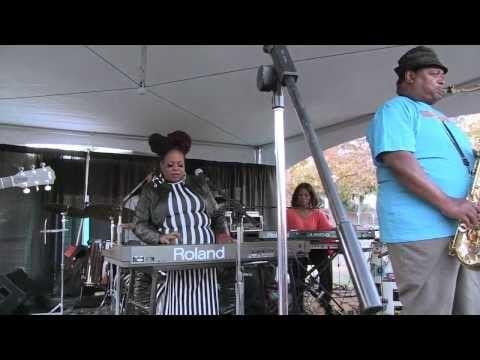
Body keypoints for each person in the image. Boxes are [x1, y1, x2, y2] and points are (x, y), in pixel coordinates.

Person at [366, 46, 480, 314]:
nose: (442, 80)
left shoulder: (443, 119)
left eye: (442, 75)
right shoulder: (395, 109)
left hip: (460, 232)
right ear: (409, 76)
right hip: (422, 231)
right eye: (433, 73)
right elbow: (398, 160)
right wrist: (448, 204)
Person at [134, 130, 233, 315]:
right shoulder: (151, 191)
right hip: (175, 258)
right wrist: (159, 237)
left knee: (206, 304)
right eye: (170, 165)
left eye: (180, 164)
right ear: (161, 166)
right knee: (178, 305)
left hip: (206, 255)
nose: (176, 168)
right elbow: (139, 224)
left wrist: (222, 234)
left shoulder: (199, 184)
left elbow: (217, 215)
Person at [287, 182, 336, 314]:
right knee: (298, 267)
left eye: (306, 195)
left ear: (311, 197)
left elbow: (328, 232)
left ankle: (325, 301)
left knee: (324, 260)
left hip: (315, 249)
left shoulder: (318, 213)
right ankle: (297, 307)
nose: (303, 198)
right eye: (300, 195)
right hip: (295, 250)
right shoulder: (288, 212)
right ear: (296, 197)